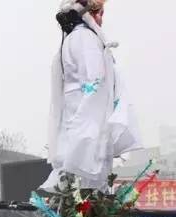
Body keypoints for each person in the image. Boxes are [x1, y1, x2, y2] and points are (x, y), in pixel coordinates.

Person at [41, 0, 140, 193]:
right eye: (99, 13)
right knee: (88, 191)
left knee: (77, 192)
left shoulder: (70, 41)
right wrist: (90, 127)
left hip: (77, 125)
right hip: (87, 127)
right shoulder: (85, 39)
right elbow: (96, 82)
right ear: (90, 14)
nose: (101, 19)